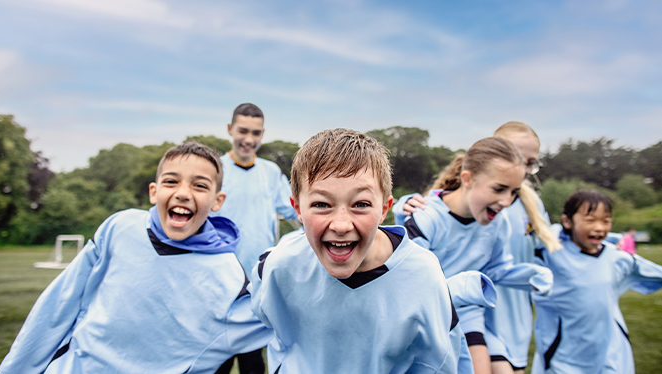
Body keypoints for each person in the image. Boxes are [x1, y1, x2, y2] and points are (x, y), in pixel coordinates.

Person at [0, 143, 273, 374]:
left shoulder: (230, 279)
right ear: (154, 192)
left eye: (199, 185)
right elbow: (58, 305)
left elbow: (283, 325)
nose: (183, 192)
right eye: (171, 181)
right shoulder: (119, 228)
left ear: (218, 200)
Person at [250, 128, 469, 373]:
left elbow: (439, 363)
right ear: (297, 208)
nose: (341, 225)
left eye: (361, 204)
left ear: (384, 208)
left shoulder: (424, 277)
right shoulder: (280, 265)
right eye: (321, 204)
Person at [396, 122, 561, 374]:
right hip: (426, 322)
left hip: (470, 319)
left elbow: (497, 270)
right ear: (468, 179)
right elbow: (409, 284)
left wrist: (532, 276)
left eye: (514, 192)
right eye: (499, 189)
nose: (506, 201)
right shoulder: (427, 218)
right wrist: (461, 289)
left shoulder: (497, 223)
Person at [531, 190, 662, 373]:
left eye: (606, 221)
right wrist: (554, 231)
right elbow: (529, 241)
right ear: (567, 221)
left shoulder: (617, 258)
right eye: (590, 220)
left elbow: (655, 273)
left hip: (612, 359)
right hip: (562, 361)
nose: (600, 227)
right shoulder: (550, 254)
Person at [212, 103, 297, 374]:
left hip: (257, 282)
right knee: (216, 359)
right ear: (230, 130)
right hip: (218, 279)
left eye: (256, 133)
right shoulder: (215, 168)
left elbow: (296, 211)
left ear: (262, 134)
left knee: (253, 362)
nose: (249, 139)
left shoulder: (270, 172)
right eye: (243, 131)